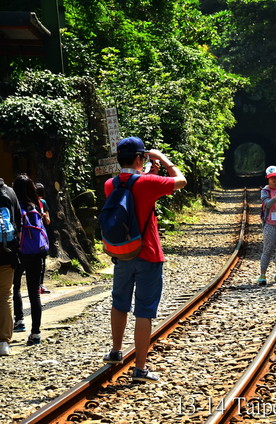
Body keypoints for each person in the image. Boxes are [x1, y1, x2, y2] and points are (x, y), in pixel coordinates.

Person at [102, 137, 186, 383]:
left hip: (122, 252)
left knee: (119, 303)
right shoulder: (148, 182)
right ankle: (140, 368)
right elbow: (181, 181)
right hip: (148, 253)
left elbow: (134, 194)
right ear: (140, 158)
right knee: (144, 311)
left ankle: (116, 351)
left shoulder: (110, 184)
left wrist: (150, 172)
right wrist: (163, 159)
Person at [12, 174, 46, 346]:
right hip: (37, 253)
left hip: (20, 253)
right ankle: (36, 333)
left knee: (15, 286)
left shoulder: (15, 206)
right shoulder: (36, 206)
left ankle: (19, 320)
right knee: (34, 294)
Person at [0, 178, 20, 356]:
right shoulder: (10, 192)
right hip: (7, 253)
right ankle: (4, 342)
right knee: (5, 295)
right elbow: (18, 224)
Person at [35, 183, 51, 295]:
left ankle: (41, 285)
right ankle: (35, 285)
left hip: (42, 233)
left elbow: (48, 221)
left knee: (43, 260)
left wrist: (44, 215)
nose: (39, 198)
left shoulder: (43, 203)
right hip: (33, 235)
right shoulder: (30, 203)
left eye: (40, 195)